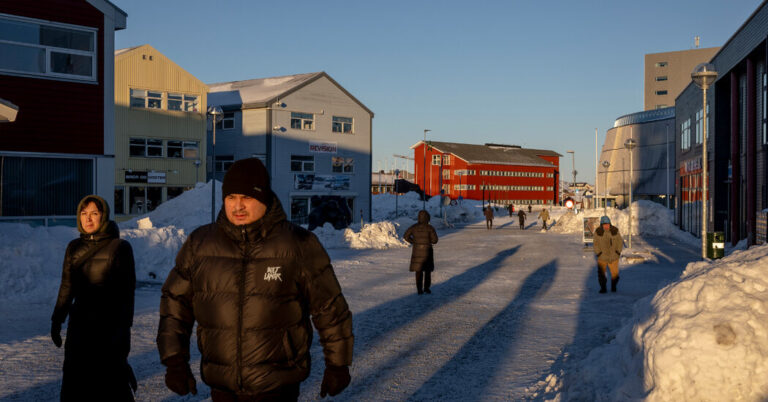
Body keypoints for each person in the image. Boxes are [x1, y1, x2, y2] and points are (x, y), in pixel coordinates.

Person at [157, 158, 353, 401]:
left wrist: (338, 364)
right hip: (223, 386)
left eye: (246, 197)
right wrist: (175, 361)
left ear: (264, 198)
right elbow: (175, 306)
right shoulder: (200, 244)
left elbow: (330, 308)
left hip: (277, 385)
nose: (237, 206)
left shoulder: (297, 244)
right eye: (231, 198)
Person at [51, 195, 137, 401]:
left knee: (109, 386)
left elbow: (127, 298)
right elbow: (67, 286)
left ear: (104, 216)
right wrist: (57, 320)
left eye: (94, 214)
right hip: (79, 328)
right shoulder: (73, 247)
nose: (88, 219)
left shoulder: (120, 248)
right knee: (76, 385)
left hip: (107, 330)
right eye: (84, 213)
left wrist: (123, 337)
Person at [404, 210, 439, 295]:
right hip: (427, 252)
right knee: (427, 271)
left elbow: (406, 236)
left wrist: (414, 241)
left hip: (417, 251)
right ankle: (426, 288)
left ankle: (419, 290)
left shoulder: (414, 227)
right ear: (427, 218)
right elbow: (435, 240)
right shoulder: (430, 228)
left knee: (418, 271)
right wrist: (428, 241)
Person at [593, 216, 624, 293]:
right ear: (601, 225)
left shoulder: (615, 231)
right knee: (601, 274)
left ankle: (614, 286)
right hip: (602, 257)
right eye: (604, 224)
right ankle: (603, 288)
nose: (606, 226)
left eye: (608, 224)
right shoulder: (598, 232)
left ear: (610, 224)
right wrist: (599, 253)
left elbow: (620, 242)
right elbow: (595, 244)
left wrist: (617, 252)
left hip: (614, 257)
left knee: (615, 274)